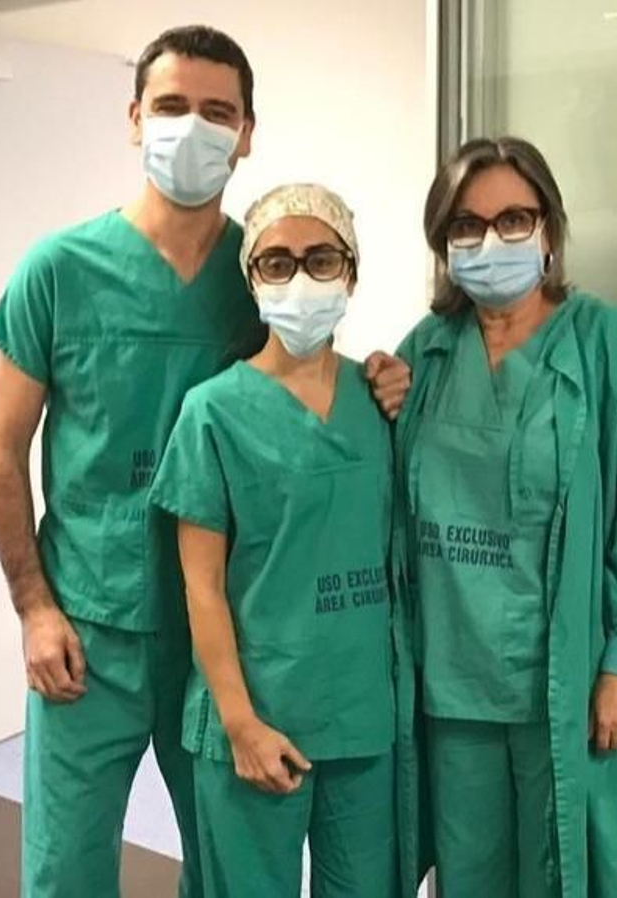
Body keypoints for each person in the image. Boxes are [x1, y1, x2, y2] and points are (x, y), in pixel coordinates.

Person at [0, 25, 408, 898]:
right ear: (135, 118)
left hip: (224, 639)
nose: (194, 129)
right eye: (172, 107)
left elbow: (299, 380)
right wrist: (33, 607)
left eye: (218, 113)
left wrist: (382, 376)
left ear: (248, 133)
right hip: (89, 629)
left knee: (223, 869)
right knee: (65, 868)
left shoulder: (260, 274)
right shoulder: (58, 271)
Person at [390, 137, 617, 898]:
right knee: (469, 875)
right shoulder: (426, 355)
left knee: (564, 874)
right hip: (452, 685)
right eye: (466, 225)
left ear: (550, 232)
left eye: (513, 219)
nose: (490, 240)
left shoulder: (605, 344)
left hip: (564, 678)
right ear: (444, 242)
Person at [149, 184, 401, 898]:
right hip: (253, 718)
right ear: (251, 279)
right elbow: (200, 586)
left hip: (360, 717)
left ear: (351, 273)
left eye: (321, 260)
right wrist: (239, 722)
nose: (301, 279)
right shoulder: (214, 412)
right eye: (277, 262)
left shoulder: (381, 401)